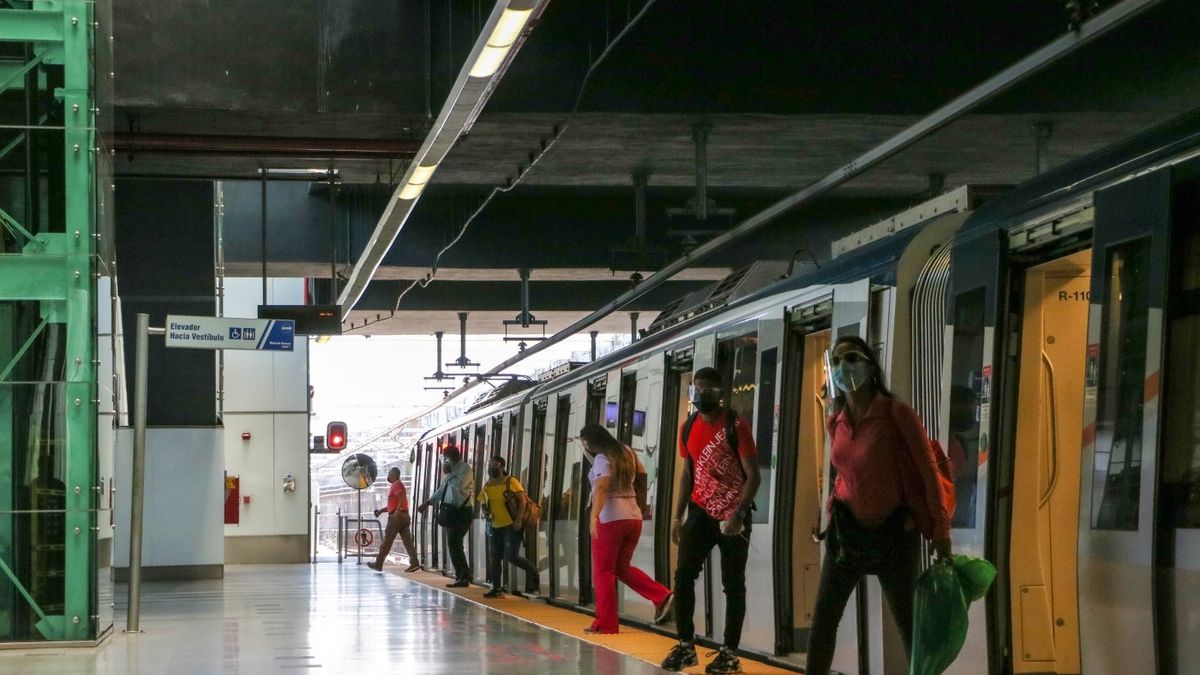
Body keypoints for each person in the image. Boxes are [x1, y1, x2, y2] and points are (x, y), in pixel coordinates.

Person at [804, 336, 953, 675]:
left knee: (909, 625)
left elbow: (928, 470)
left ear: (871, 366)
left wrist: (940, 529)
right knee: (824, 622)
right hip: (846, 534)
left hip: (894, 534)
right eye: (838, 361)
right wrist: (829, 507)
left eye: (852, 358)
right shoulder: (836, 419)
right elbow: (842, 471)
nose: (844, 367)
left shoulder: (896, 413)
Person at [661, 367, 761, 675]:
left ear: (720, 394)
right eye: (697, 389)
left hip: (734, 514)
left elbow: (753, 476)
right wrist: (676, 517)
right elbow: (688, 475)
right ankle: (686, 644)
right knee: (683, 577)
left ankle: (729, 652)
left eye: (707, 390)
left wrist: (740, 513)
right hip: (700, 512)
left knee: (733, 584)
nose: (701, 395)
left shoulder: (736, 425)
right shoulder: (687, 427)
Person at [579, 423, 673, 634]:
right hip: (633, 517)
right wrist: (639, 505)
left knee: (603, 571)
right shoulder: (628, 452)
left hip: (611, 518)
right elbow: (641, 477)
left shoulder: (603, 459)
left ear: (591, 442)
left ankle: (607, 624)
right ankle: (661, 595)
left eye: (585, 443)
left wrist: (594, 517)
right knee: (621, 567)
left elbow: (602, 487)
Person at [477, 456, 540, 598]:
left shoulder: (511, 482)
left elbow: (522, 501)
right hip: (495, 526)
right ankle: (497, 588)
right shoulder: (488, 485)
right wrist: (485, 512)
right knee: (495, 557)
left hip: (511, 525)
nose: (492, 468)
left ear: (502, 467)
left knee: (512, 556)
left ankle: (534, 572)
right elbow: (482, 502)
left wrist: (518, 520)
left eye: (495, 465)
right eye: (490, 465)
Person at [417, 445, 474, 587]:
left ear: (453, 457)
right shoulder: (450, 473)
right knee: (453, 544)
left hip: (462, 511)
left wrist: (450, 474)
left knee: (454, 543)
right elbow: (442, 490)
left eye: (446, 458)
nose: (445, 461)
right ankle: (461, 575)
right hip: (451, 512)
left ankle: (464, 576)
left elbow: (459, 488)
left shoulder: (465, 469)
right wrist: (428, 502)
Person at [368, 467, 421, 573]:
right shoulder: (397, 485)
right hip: (404, 516)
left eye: (389, 474)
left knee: (387, 541)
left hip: (397, 517)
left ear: (394, 475)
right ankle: (415, 563)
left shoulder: (396, 484)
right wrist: (381, 511)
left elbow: (401, 497)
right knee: (408, 542)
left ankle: (378, 564)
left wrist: (397, 511)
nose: (388, 476)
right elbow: (393, 504)